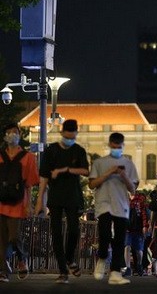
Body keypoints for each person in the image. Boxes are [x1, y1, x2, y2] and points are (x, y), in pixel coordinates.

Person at [35, 119, 90, 284]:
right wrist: (40, 201)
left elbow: (86, 171)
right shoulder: (51, 150)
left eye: (73, 137)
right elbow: (44, 177)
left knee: (74, 229)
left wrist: (66, 169)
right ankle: (63, 270)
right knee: (56, 233)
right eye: (67, 136)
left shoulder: (78, 150)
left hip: (73, 196)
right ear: (62, 133)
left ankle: (69, 257)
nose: (70, 139)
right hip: (56, 197)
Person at [89, 132, 138, 285]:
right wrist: (109, 172)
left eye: (119, 147)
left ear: (123, 146)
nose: (117, 149)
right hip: (104, 204)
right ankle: (102, 258)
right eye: (114, 147)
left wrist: (123, 175)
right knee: (104, 234)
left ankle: (115, 272)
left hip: (121, 205)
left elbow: (133, 189)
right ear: (110, 145)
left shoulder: (129, 164)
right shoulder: (99, 162)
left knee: (119, 239)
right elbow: (92, 184)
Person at [0, 123, 39, 282]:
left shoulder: (28, 157)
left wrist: (29, 204)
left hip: (18, 202)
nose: (11, 135)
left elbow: (29, 184)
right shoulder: (0, 155)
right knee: (1, 240)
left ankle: (22, 259)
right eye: (8, 132)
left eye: (14, 132)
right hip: (1, 202)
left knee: (14, 236)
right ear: (4, 136)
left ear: (20, 135)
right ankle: (3, 270)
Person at [124, 190, 149, 277]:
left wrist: (145, 226)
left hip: (138, 228)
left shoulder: (140, 199)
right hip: (127, 228)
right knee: (127, 246)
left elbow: (144, 213)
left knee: (139, 250)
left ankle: (139, 264)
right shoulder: (124, 198)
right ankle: (128, 268)